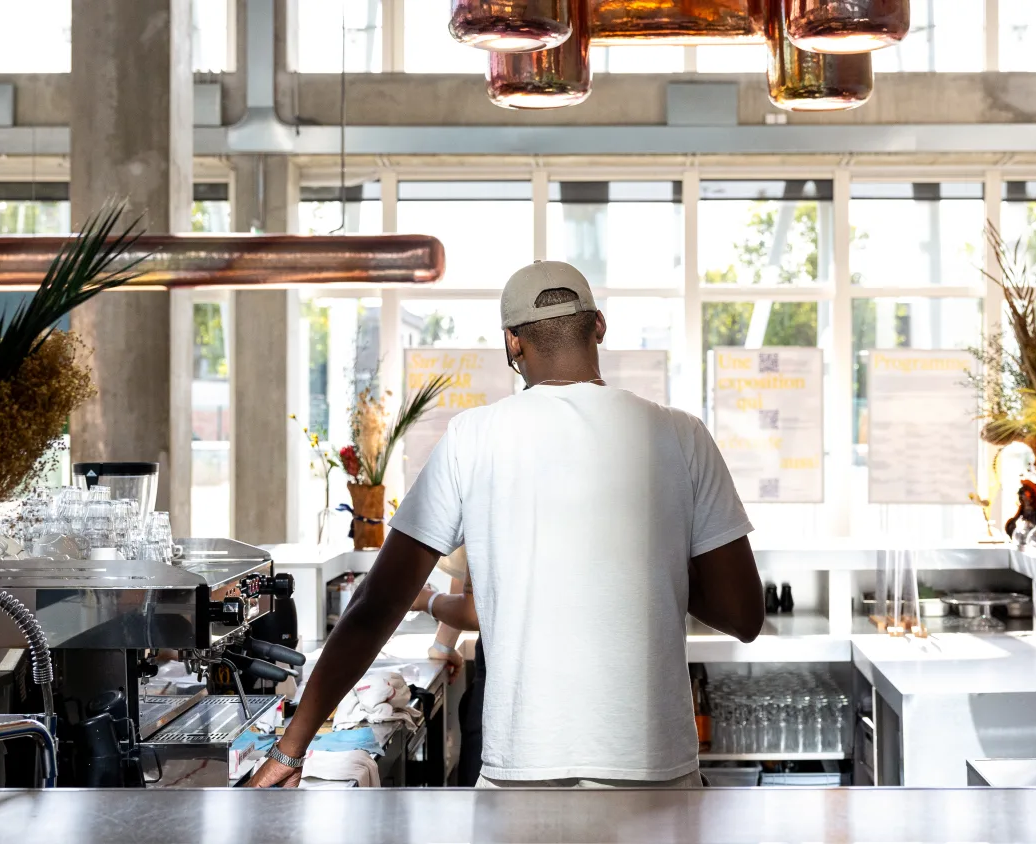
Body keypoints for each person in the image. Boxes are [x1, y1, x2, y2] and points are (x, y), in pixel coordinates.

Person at [250, 260, 763, 789]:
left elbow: (375, 605)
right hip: (658, 779)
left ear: (512, 342)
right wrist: (655, 556)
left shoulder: (473, 438)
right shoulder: (682, 435)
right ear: (599, 325)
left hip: (522, 779)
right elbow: (744, 616)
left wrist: (290, 751)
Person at [409, 546, 487, 786]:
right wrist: (443, 645)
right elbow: (467, 572)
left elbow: (472, 610)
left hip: (505, 667)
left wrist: (424, 599)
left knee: (486, 790)